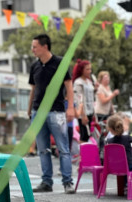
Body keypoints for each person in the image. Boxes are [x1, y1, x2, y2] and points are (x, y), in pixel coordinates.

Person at [28, 34, 75, 194]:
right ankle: (46, 182)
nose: (32, 50)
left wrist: (70, 108)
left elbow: (69, 86)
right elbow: (33, 90)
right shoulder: (34, 66)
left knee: (63, 149)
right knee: (43, 149)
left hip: (57, 112)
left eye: (35, 46)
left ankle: (68, 182)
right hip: (37, 113)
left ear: (45, 46)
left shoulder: (60, 63)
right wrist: (29, 110)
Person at [72, 59, 95, 144]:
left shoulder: (89, 81)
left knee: (88, 134)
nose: (90, 71)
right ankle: (81, 154)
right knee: (84, 134)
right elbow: (79, 99)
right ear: (81, 70)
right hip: (83, 112)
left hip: (90, 111)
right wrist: (83, 115)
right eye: (87, 69)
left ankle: (84, 154)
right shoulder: (78, 82)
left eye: (90, 69)